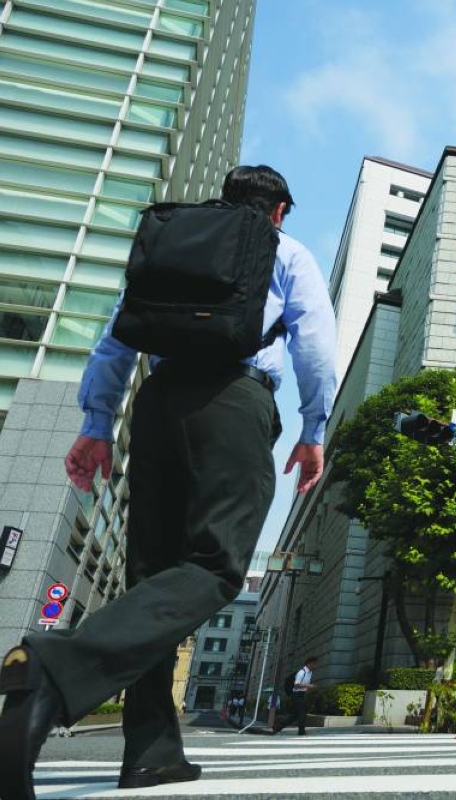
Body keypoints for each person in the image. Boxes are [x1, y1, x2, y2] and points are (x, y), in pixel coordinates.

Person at [0, 165, 336, 800]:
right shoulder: (285, 251)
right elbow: (315, 343)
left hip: (155, 407)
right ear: (280, 210)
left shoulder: (173, 244)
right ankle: (53, 662)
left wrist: (97, 423)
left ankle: (151, 753)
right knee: (215, 565)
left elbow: (117, 338)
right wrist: (313, 429)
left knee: (152, 579)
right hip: (233, 400)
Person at [274, 657, 317, 736]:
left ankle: (279, 725)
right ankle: (301, 731)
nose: (315, 666)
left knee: (294, 715)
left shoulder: (310, 673)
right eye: (314, 664)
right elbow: (296, 685)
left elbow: (303, 685)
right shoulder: (301, 672)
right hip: (296, 695)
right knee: (302, 713)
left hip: (302, 695)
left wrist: (307, 689)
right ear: (309, 664)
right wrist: (308, 686)